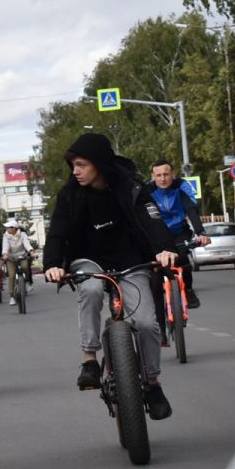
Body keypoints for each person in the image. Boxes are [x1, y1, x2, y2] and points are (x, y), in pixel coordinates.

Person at [41, 132, 182, 421]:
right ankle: (90, 359)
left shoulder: (131, 188)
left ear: (100, 164)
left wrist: (165, 249)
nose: (75, 171)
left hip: (131, 261)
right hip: (87, 260)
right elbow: (58, 231)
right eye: (73, 166)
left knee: (144, 322)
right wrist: (53, 264)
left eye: (81, 165)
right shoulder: (70, 194)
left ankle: (153, 384)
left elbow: (152, 220)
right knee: (91, 289)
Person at [147, 160, 210, 312]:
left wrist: (201, 232)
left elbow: (191, 209)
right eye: (159, 175)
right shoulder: (147, 190)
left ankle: (188, 290)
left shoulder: (181, 186)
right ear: (153, 176)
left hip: (179, 231)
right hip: (157, 233)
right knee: (153, 268)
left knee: (182, 258)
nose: (163, 179)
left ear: (173, 175)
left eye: (166, 174)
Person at [1, 221, 36, 303]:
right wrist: (5, 254)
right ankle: (12, 296)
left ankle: (27, 282)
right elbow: (5, 246)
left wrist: (31, 252)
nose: (7, 229)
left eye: (9, 227)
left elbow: (26, 244)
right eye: (6, 227)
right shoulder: (5, 236)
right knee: (12, 275)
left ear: (14, 228)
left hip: (22, 256)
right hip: (11, 258)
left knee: (25, 267)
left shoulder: (22, 235)